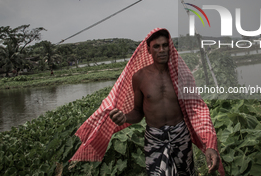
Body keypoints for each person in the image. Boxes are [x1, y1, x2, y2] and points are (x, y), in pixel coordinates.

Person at [70, 28, 224, 175]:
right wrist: (124, 117)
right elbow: (138, 113)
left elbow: (196, 108)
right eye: (156, 46)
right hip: (154, 138)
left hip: (180, 134)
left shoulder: (181, 75)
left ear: (170, 47)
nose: (161, 50)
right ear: (149, 50)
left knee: (186, 172)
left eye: (165, 45)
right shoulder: (140, 77)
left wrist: (210, 145)